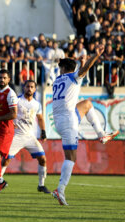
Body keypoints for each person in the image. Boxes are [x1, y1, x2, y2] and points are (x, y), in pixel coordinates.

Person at [51, 45, 119, 205]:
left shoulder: (57, 80)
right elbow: (85, 69)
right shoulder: (72, 77)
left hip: (61, 119)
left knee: (87, 104)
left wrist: (81, 62)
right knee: (71, 158)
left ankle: (102, 135)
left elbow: (80, 69)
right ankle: (60, 190)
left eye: (60, 67)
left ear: (63, 68)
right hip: (69, 121)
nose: (59, 69)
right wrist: (95, 55)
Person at [0, 80, 50, 193]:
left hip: (30, 137)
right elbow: (8, 113)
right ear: (24, 87)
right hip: (16, 136)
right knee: (6, 159)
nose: (30, 89)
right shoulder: (17, 100)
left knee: (42, 159)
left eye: (32, 87)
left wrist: (43, 132)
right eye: (28, 86)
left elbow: (40, 118)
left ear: (35, 89)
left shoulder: (37, 104)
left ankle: (41, 185)